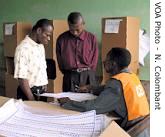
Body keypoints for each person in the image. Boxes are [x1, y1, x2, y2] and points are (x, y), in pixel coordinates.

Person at [58, 47, 150, 131]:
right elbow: (111, 90)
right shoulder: (130, 76)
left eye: (107, 59)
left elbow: (94, 107)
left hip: (136, 129)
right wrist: (91, 88)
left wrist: (68, 103)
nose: (104, 61)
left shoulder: (117, 83)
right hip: (145, 121)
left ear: (113, 64)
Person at [56, 12, 98, 92]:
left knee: (89, 101)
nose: (75, 33)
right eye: (71, 29)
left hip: (88, 75)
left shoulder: (91, 38)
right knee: (69, 102)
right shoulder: (61, 39)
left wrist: (89, 73)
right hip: (70, 76)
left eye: (77, 30)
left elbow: (94, 60)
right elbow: (60, 61)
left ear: (83, 24)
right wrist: (69, 73)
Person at [14, 19, 54, 101]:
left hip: (41, 92)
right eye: (47, 35)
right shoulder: (23, 48)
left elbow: (41, 69)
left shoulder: (40, 46)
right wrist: (31, 99)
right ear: (39, 30)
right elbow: (22, 78)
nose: (49, 38)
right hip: (28, 94)